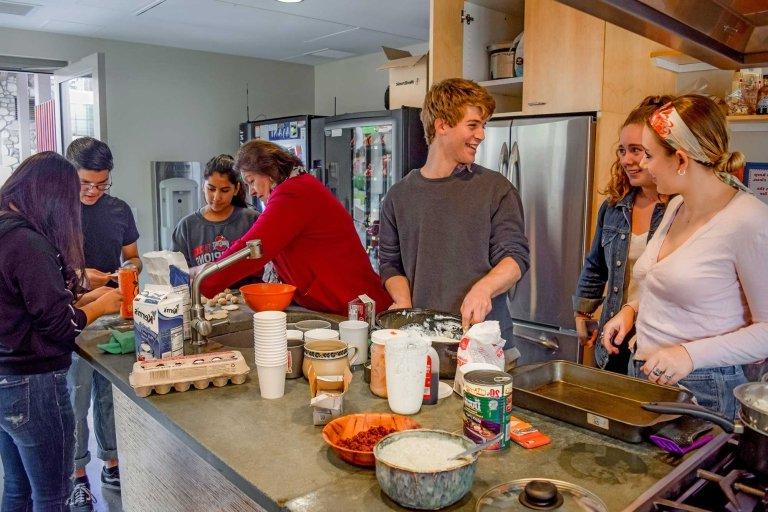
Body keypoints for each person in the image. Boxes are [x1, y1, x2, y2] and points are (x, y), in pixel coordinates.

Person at [602, 94, 768, 419]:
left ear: (680, 160)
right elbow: (663, 276)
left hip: (703, 388)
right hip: (648, 373)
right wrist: (630, 310)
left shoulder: (749, 221)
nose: (643, 165)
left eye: (649, 155)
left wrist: (687, 355)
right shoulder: (677, 205)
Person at [0, 152, 122, 511]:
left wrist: (88, 296)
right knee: (53, 496)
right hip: (32, 385)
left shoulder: (5, 231)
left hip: (6, 379)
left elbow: (30, 310)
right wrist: (101, 305)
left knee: (17, 488)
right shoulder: (28, 244)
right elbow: (59, 327)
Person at [378, 78, 529, 331]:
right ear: (442, 125)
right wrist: (403, 301)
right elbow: (390, 264)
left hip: (485, 342)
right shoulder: (398, 196)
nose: (481, 135)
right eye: (473, 125)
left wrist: (483, 289)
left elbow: (515, 258)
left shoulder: (496, 189)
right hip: (422, 338)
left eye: (483, 126)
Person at [199, 140, 392, 314]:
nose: (252, 191)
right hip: (340, 303)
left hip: (352, 305)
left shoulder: (293, 194)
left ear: (269, 171)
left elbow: (252, 248)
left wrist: (203, 280)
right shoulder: (297, 186)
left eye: (251, 181)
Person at [65, 137, 141, 511]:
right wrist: (82, 275)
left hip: (113, 313)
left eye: (102, 183)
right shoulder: (56, 212)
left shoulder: (119, 210)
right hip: (73, 317)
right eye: (86, 183)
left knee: (109, 395)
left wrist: (130, 269)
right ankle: (78, 475)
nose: (93, 191)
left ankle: (112, 463)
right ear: (69, 174)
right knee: (75, 397)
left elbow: (133, 257)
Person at [573, 95, 673, 373]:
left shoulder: (681, 210)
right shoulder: (615, 206)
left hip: (656, 344)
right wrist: (583, 311)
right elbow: (596, 265)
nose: (627, 160)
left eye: (637, 150)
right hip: (613, 337)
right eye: (622, 150)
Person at [172, 154, 258, 270]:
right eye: (211, 189)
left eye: (224, 190)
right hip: (200, 288)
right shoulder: (186, 226)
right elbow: (178, 274)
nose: (216, 197)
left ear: (236, 189)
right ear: (203, 186)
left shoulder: (252, 220)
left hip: (247, 288)